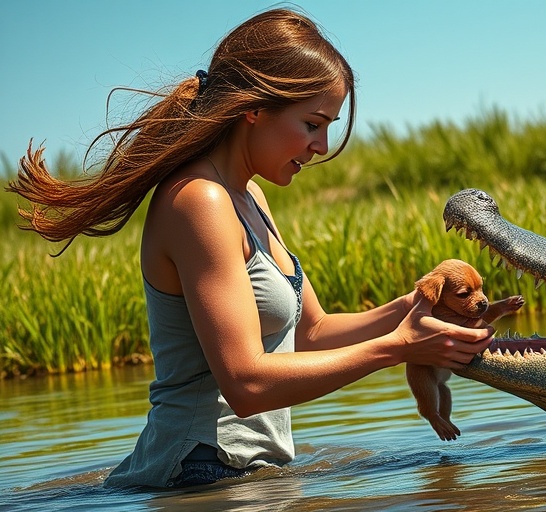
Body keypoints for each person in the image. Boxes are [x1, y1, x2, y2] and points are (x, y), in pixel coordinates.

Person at [7, 8, 493, 488]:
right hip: (200, 472)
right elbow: (246, 383)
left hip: (245, 473)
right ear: (254, 109)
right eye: (312, 123)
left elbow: (313, 334)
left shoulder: (248, 197)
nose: (321, 145)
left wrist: (415, 307)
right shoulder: (200, 201)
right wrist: (397, 348)